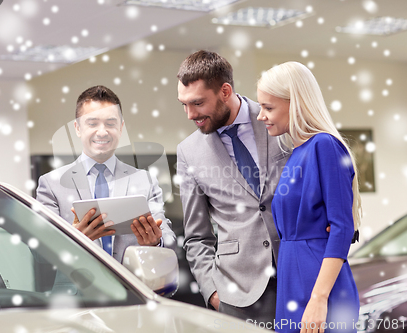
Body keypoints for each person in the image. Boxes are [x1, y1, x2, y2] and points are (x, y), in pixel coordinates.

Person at [176, 50, 290, 325]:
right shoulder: (188, 152)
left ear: (225, 91)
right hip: (238, 295)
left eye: (198, 103)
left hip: (299, 271)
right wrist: (212, 291)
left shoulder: (278, 118)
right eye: (184, 104)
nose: (191, 114)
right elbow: (196, 236)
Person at [256, 61, 361, 333]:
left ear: (296, 104)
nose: (261, 116)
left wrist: (318, 299)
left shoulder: (324, 146)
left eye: (268, 108)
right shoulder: (297, 153)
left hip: (317, 284)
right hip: (293, 277)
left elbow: (342, 226)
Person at [36, 85, 176, 263]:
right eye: (92, 123)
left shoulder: (145, 181)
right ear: (77, 128)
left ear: (121, 128)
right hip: (78, 288)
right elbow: (41, 250)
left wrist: (156, 243)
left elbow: (169, 241)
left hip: (133, 288)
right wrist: (72, 241)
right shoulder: (51, 184)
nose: (102, 132)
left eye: (110, 123)